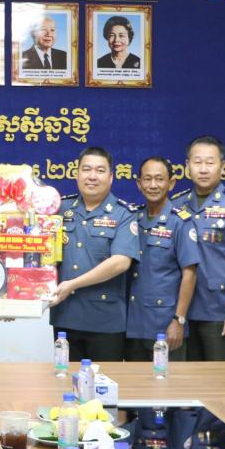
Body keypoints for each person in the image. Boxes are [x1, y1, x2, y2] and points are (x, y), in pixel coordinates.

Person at [50, 146, 139, 362]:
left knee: (104, 381)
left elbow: (120, 262)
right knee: (65, 379)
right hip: (66, 317)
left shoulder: (123, 214)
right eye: (86, 169)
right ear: (77, 174)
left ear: (111, 177)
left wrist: (73, 284)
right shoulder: (60, 209)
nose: (92, 176)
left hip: (105, 321)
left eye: (100, 171)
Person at [173, 136, 225, 361]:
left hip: (220, 311)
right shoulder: (177, 204)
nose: (203, 169)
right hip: (180, 312)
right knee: (184, 378)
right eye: (197, 162)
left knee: (220, 378)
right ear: (187, 166)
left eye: (210, 163)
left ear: (223, 167)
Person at [125, 156, 199, 362]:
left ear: (171, 183)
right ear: (139, 183)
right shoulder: (133, 218)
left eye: (159, 179)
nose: (153, 185)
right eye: (147, 179)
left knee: (168, 381)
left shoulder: (181, 222)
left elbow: (190, 274)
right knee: (134, 381)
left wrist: (179, 320)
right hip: (133, 324)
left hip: (165, 325)